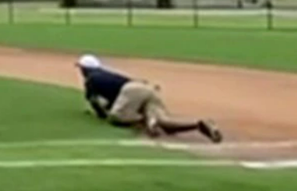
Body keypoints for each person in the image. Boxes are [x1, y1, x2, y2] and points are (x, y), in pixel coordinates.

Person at [76, 54, 222, 142]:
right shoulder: (105, 75)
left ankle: (149, 121)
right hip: (144, 88)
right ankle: (197, 125)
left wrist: (102, 115)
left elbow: (94, 101)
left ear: (85, 69)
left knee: (116, 116)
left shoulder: (91, 79)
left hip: (131, 91)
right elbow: (117, 97)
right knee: (166, 124)